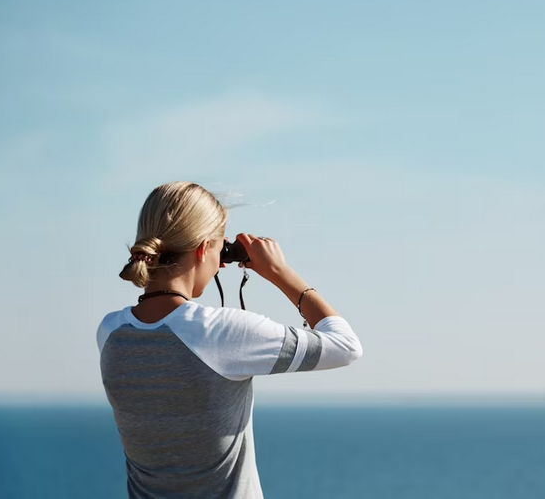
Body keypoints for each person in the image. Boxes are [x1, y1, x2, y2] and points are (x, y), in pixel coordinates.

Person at [97, 181, 363, 498]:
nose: (222, 263)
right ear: (202, 248)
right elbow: (345, 346)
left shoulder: (110, 333)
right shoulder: (218, 332)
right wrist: (280, 272)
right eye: (220, 249)